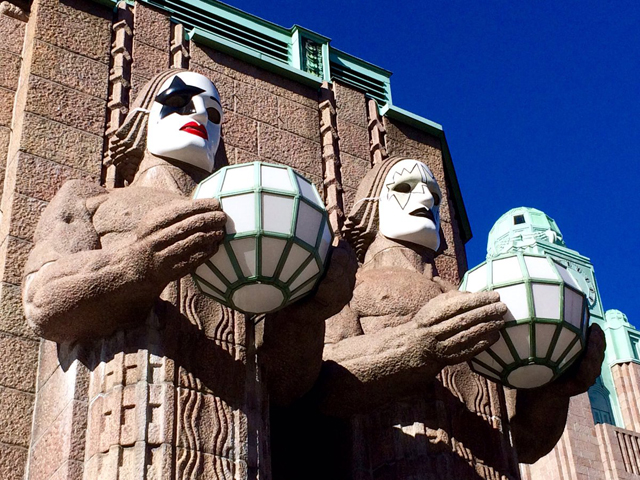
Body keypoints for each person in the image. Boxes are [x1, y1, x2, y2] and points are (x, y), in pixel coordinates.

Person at [22, 68, 354, 478]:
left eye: (214, 115)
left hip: (241, 454)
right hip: (119, 443)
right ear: (143, 118)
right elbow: (43, 299)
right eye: (179, 102)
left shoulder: (253, 227)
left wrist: (309, 310)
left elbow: (285, 385)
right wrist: (139, 263)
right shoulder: (90, 199)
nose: (199, 115)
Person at [272, 156, 605, 479]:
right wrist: (419, 344)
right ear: (371, 205)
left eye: (434, 195)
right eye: (405, 187)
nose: (425, 198)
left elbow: (525, 442)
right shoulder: (347, 283)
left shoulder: (470, 299)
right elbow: (315, 383)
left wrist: (554, 391)